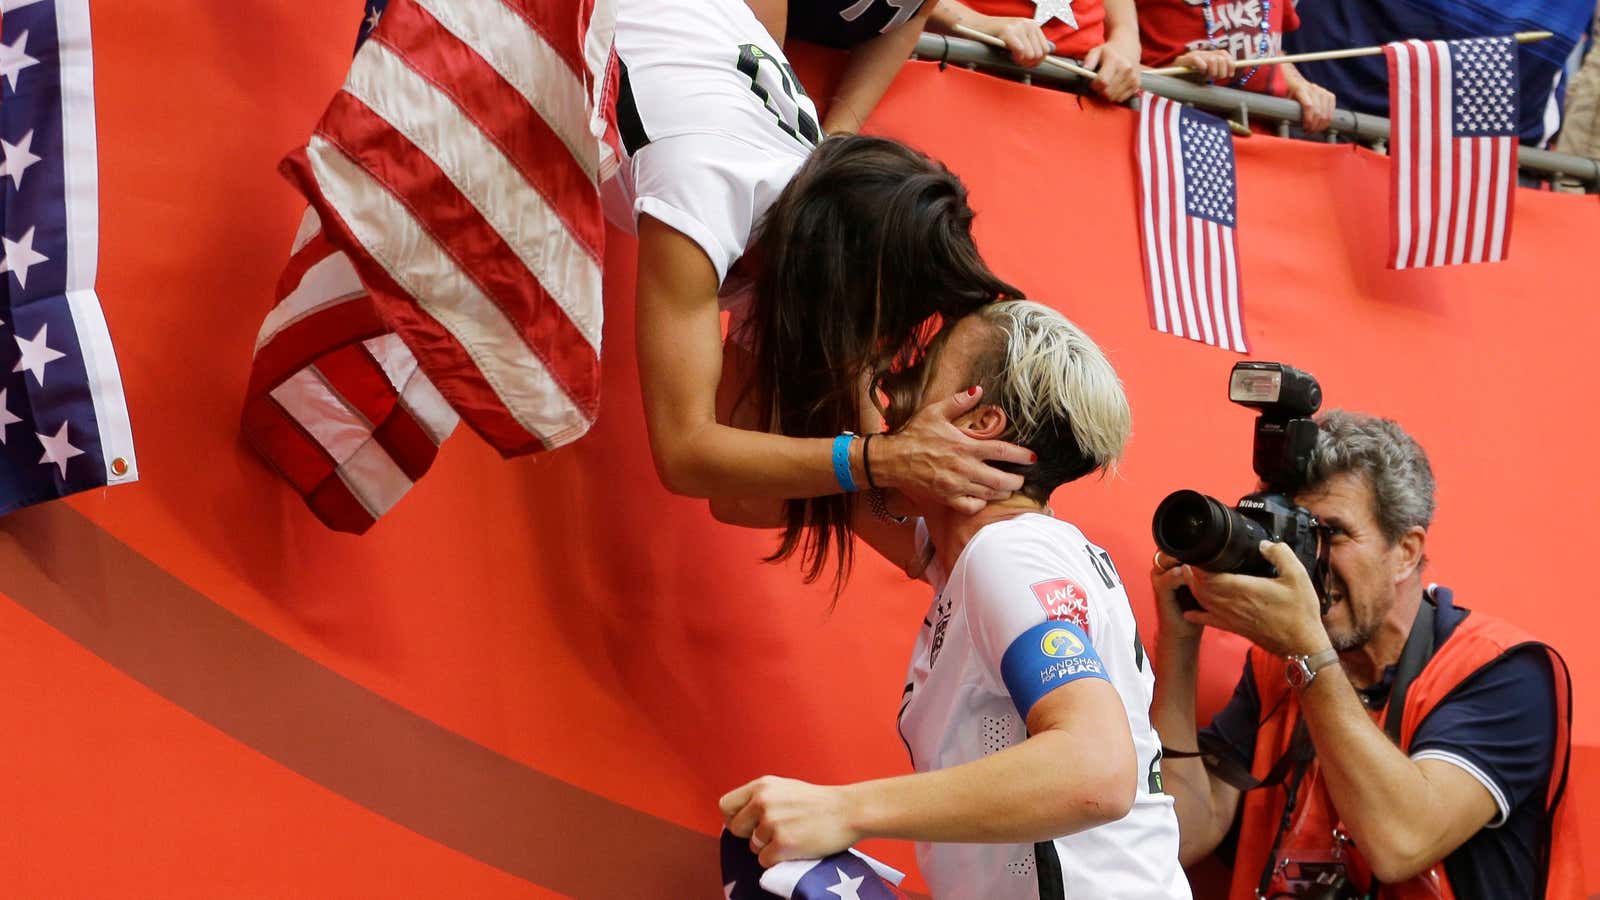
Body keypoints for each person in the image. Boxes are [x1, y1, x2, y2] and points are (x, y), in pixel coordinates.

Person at [720, 301, 1191, 899]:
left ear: (979, 422)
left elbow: (1095, 770)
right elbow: (750, 488)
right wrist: (761, 304)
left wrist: (846, 808)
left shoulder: (1008, 554)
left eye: (928, 364)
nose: (899, 379)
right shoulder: (978, 553)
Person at [614, 0, 1036, 586]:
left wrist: (965, 563)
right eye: (880, 330)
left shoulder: (819, 210)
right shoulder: (704, 186)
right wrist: (885, 458)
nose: (878, 355)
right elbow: (687, 455)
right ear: (849, 288)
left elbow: (745, 501)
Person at [1149, 411, 1581, 899]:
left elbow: (1400, 842)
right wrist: (1180, 644)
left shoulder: (1504, 669)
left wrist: (1305, 651)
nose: (1308, 560)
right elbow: (1180, 836)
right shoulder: (1277, 666)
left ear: (1406, 551)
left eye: (1330, 534)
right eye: (1296, 535)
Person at [1135, 0, 1336, 132]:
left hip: (1268, 148)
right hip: (1174, 141)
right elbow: (1111, 64)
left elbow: (1268, 46)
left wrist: (1299, 84)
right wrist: (1174, 77)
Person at [925, 0, 1144, 102]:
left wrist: (1122, 51)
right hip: (963, 93)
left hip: (1087, 107)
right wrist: (981, 24)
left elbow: (1125, 28)